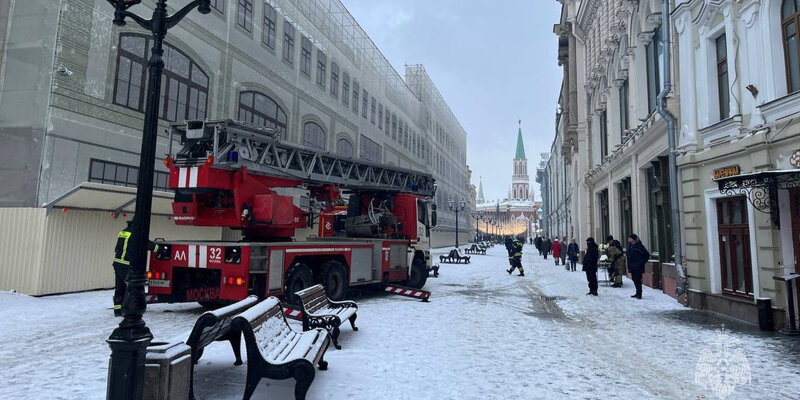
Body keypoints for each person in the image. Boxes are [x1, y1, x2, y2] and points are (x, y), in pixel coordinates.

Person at [112, 221, 159, 317]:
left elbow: (117, 248)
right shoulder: (136, 234)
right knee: (131, 287)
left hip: (117, 263)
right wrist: (160, 249)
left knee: (119, 287)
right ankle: (129, 308)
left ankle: (117, 310)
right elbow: (146, 244)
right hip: (127, 264)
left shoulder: (123, 232)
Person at [627, 234, 650, 299]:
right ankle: (637, 292)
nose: (628, 239)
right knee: (634, 279)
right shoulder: (630, 246)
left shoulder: (639, 246)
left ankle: (639, 294)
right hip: (632, 266)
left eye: (630, 238)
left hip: (637, 267)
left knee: (638, 280)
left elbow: (647, 255)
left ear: (633, 239)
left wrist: (640, 263)